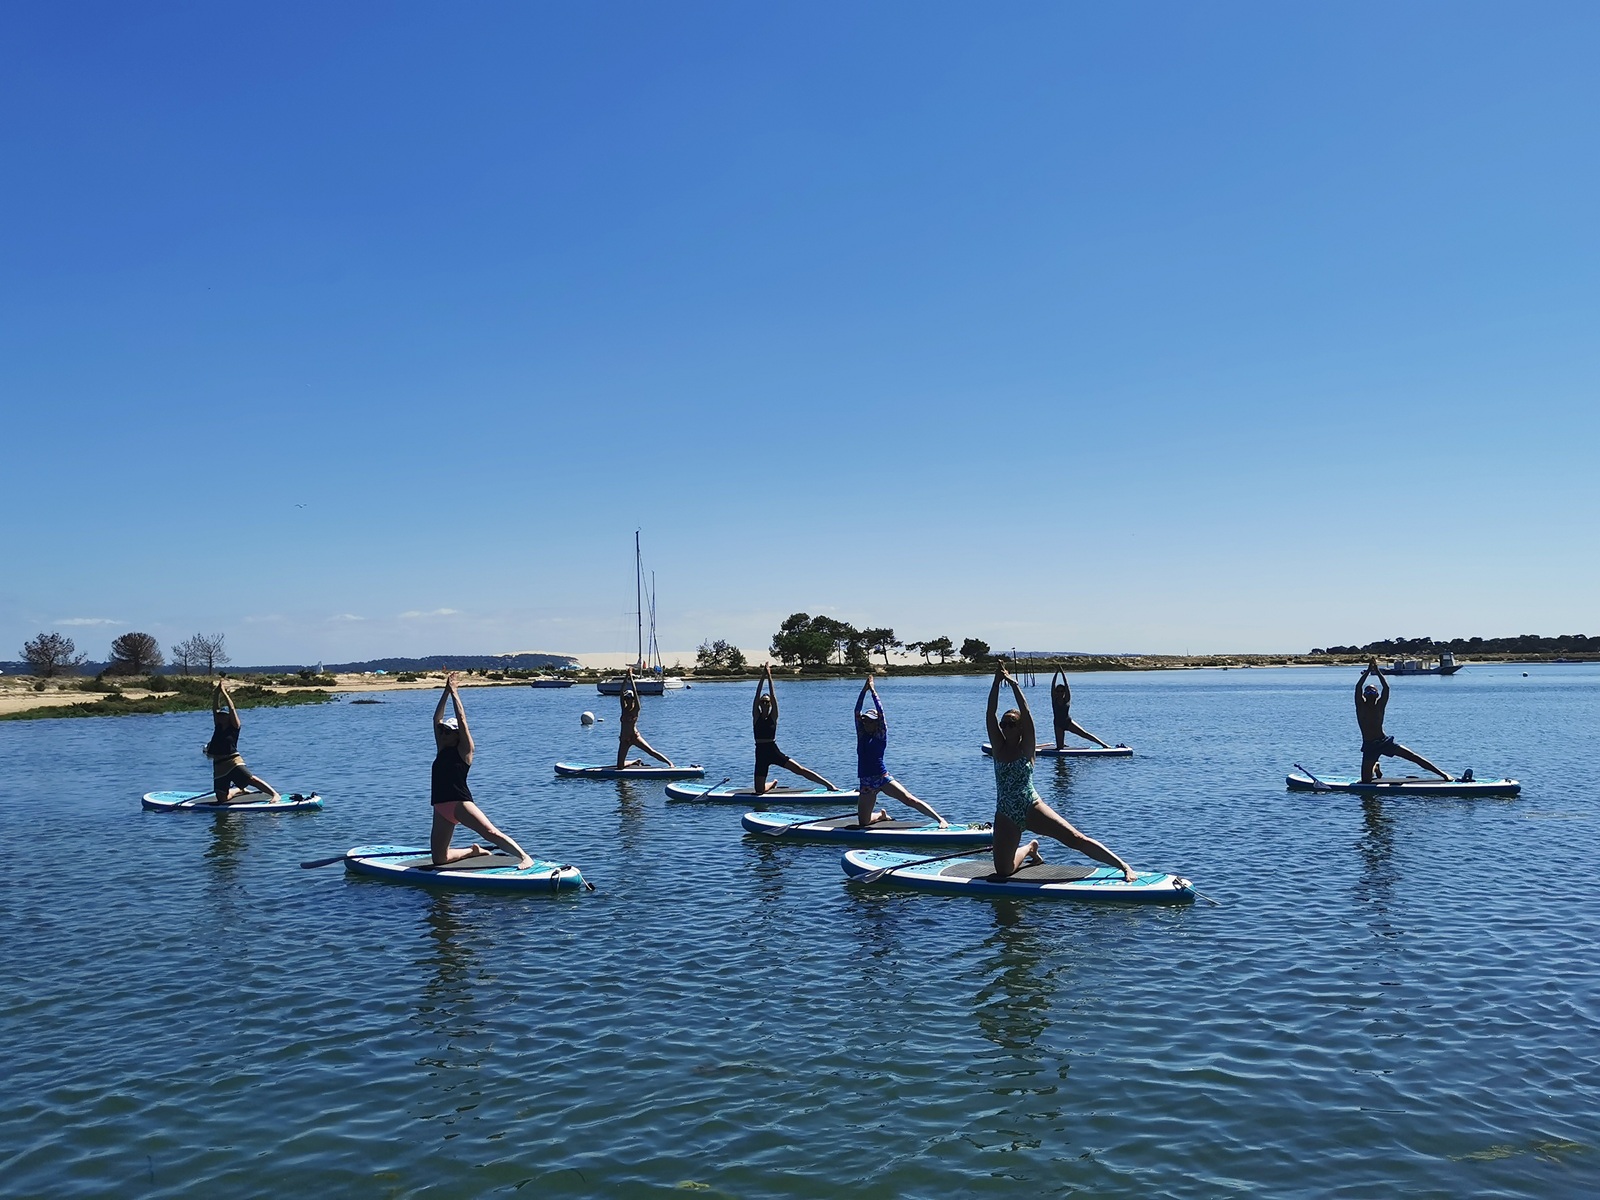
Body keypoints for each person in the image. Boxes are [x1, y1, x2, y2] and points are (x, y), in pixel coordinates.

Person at [986, 663, 1134, 881]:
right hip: (1005, 812)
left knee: (1074, 838)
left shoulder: (1027, 747)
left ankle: (1123, 866)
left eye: (1011, 723)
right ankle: (1030, 848)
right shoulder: (998, 748)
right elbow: (990, 711)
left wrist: (1014, 684)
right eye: (1004, 723)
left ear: (1020, 728)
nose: (1006, 727)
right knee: (1003, 871)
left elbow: (1026, 713)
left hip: (1030, 806)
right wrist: (996, 682)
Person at [430, 672, 534, 868]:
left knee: (490, 832)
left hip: (460, 804)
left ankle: (524, 856)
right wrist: (445, 692)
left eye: (447, 732)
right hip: (440, 807)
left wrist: (455, 694)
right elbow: (436, 719)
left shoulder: (464, 751)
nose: (442, 733)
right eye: (442, 731)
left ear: (457, 736)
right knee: (439, 859)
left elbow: (462, 719)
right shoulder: (441, 748)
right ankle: (473, 851)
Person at [853, 675, 947, 830]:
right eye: (865, 720)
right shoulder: (861, 735)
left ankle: (940, 819)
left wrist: (873, 692)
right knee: (863, 823)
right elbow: (856, 711)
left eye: (870, 720)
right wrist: (863, 690)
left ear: (876, 723)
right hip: (866, 783)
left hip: (882, 778)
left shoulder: (881, 734)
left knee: (909, 799)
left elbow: (881, 713)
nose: (867, 723)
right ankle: (881, 815)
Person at [1356, 658, 1451, 783]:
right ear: (1364, 694)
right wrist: (1368, 671)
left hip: (1383, 741)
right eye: (1368, 690)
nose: (1370, 692)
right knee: (1365, 781)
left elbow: (1386, 688)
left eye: (1373, 690)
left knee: (1413, 756)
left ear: (1377, 694)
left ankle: (1443, 774)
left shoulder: (1380, 705)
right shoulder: (1360, 706)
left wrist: (1378, 672)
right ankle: (1376, 765)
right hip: (1369, 745)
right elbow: (1358, 687)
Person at [752, 663, 838, 794]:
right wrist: (763, 676)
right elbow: (757, 694)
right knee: (759, 791)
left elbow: (773, 696)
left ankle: (829, 785)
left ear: (770, 705)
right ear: (759, 703)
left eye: (767, 702)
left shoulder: (773, 716)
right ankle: (773, 783)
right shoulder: (756, 717)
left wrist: (770, 677)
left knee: (799, 769)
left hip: (772, 750)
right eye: (762, 701)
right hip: (760, 753)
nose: (765, 703)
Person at [204, 678, 279, 803]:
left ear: (228, 717)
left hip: (232, 761)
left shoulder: (234, 726)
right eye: (220, 715)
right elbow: (214, 709)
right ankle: (238, 790)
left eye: (223, 715)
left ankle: (274, 794)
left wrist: (225, 693)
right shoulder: (218, 726)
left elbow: (232, 708)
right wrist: (216, 693)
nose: (220, 716)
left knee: (251, 779)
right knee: (221, 798)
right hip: (219, 765)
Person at [616, 668, 675, 770]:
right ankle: (635, 761)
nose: (627, 700)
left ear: (633, 699)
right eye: (626, 698)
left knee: (651, 751)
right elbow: (621, 692)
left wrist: (632, 680)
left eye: (629, 698)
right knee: (619, 766)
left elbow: (635, 692)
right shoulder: (624, 709)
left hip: (634, 737)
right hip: (624, 739)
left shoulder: (636, 709)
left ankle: (670, 763)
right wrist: (626, 677)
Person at [1049, 670, 1112, 750]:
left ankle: (1104, 745)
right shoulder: (1054, 699)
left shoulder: (1067, 699)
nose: (1060, 693)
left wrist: (1062, 673)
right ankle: (1062, 744)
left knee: (1084, 734)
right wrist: (1056, 673)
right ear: (1056, 692)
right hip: (1058, 724)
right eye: (1058, 691)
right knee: (1059, 748)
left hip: (1067, 722)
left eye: (1062, 691)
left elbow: (1067, 685)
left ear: (1064, 692)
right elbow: (1052, 686)